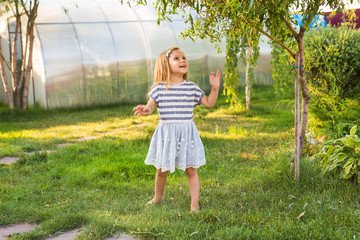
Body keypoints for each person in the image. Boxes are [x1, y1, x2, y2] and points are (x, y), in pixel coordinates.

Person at [133, 46, 221, 211]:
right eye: (177, 58)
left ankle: (194, 204)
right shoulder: (159, 89)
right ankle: (157, 197)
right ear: (165, 65)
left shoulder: (192, 88)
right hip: (167, 135)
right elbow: (150, 107)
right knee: (161, 171)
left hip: (186, 134)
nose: (183, 61)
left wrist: (215, 88)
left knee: (191, 171)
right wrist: (146, 110)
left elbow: (209, 103)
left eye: (184, 58)